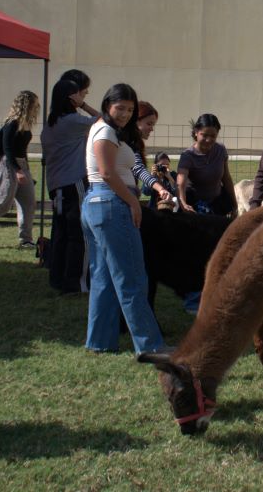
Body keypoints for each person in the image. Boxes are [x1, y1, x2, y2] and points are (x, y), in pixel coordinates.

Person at [81, 83, 167, 354]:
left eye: (130, 109)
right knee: (132, 277)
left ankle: (100, 342)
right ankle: (150, 346)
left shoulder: (104, 128)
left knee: (104, 277)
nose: (125, 114)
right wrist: (133, 202)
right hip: (111, 203)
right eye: (120, 108)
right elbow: (107, 172)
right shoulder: (105, 131)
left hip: (99, 204)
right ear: (108, 105)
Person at [40, 72, 100, 294]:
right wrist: (83, 105)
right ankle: (77, 282)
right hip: (74, 184)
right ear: (70, 98)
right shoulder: (73, 122)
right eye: (78, 93)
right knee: (80, 235)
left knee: (62, 234)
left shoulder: (50, 125)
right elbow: (105, 121)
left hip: (56, 187)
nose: (81, 96)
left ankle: (58, 279)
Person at [0, 90, 40, 249]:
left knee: (29, 202)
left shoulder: (24, 124)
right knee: (3, 203)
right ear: (26, 104)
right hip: (10, 165)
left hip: (22, 165)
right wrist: (17, 170)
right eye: (34, 103)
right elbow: (7, 148)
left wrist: (25, 170)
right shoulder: (11, 123)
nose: (37, 107)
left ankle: (25, 240)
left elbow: (21, 149)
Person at [177, 113, 237, 216]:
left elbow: (226, 178)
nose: (208, 140)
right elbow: (180, 184)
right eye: (204, 135)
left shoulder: (221, 150)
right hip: (195, 207)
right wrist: (183, 204)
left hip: (218, 205)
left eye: (213, 136)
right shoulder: (187, 156)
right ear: (196, 132)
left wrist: (234, 204)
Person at [133, 101, 172, 206]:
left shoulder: (135, 143)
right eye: (149, 124)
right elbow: (138, 169)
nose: (152, 129)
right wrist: (160, 188)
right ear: (136, 121)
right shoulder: (129, 143)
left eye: (153, 125)